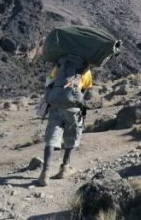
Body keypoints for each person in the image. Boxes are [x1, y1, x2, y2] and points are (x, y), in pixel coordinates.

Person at [36, 54, 92, 187]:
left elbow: (48, 83)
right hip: (73, 107)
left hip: (55, 104)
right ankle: (65, 168)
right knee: (71, 136)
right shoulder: (85, 70)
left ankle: (45, 173)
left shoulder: (58, 67)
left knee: (52, 137)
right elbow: (88, 93)